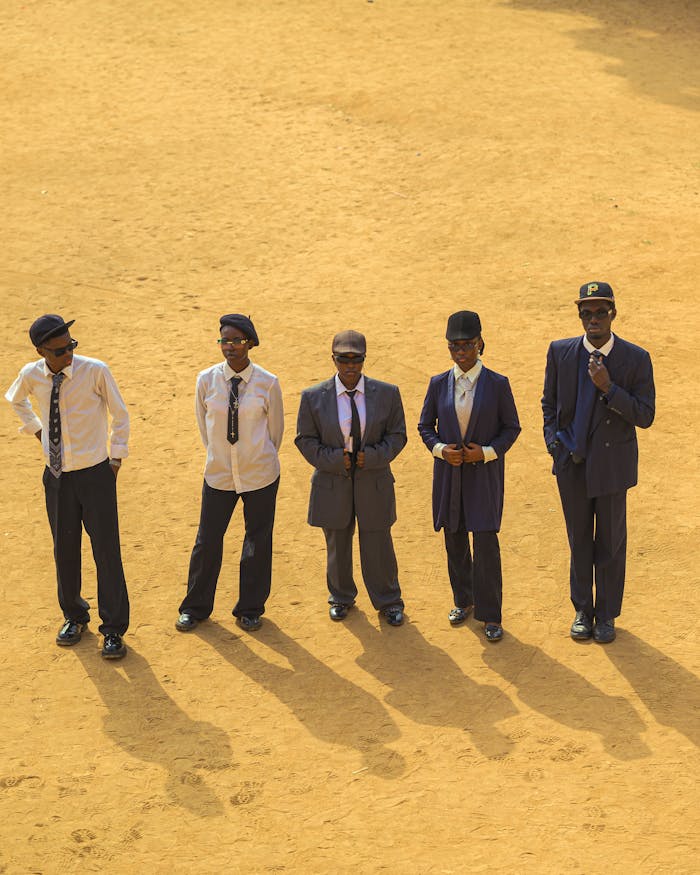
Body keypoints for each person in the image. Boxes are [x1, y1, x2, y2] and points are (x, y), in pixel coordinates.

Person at [6, 314, 130, 658]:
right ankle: (74, 616)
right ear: (41, 351)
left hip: (96, 474)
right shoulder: (32, 375)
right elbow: (15, 399)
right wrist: (38, 432)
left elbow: (120, 415)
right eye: (60, 351)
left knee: (107, 551)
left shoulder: (95, 371)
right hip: (57, 477)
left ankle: (114, 629)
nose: (68, 355)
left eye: (71, 346)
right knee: (65, 549)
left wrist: (116, 459)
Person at [542, 282, 655, 643]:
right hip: (572, 465)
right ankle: (582, 610)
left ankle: (606, 615)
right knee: (579, 541)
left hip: (612, 468)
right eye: (586, 313)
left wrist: (610, 389)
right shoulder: (560, 352)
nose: (593, 319)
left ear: (613, 313)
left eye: (600, 312)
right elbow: (548, 404)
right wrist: (554, 446)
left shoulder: (636, 358)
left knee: (610, 542)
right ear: (580, 316)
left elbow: (646, 414)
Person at [176, 314, 283, 634]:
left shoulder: (268, 382)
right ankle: (195, 608)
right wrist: (223, 455)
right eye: (224, 340)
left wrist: (254, 457)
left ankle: (250, 608)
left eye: (237, 340)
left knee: (257, 541)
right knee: (207, 541)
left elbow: (275, 431)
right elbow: (204, 426)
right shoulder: (206, 380)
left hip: (260, 475)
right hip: (220, 474)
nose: (230, 347)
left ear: (250, 343)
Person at [418, 311, 521, 642]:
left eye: (466, 345)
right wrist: (440, 450)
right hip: (451, 475)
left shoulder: (497, 384)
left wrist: (486, 452)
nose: (460, 352)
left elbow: (511, 428)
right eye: (454, 346)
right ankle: (464, 601)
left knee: (486, 542)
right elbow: (425, 426)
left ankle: (490, 615)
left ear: (480, 344)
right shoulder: (438, 384)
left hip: (484, 476)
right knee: (455, 537)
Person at [295, 330, 407, 625]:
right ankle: (341, 597)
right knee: (337, 544)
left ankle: (389, 601)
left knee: (378, 543)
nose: (350, 366)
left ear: (364, 359)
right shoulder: (312, 397)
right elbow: (304, 440)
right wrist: (335, 460)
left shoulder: (387, 393)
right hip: (333, 481)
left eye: (356, 359)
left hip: (374, 480)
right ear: (333, 359)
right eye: (343, 359)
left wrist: (371, 456)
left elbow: (398, 436)